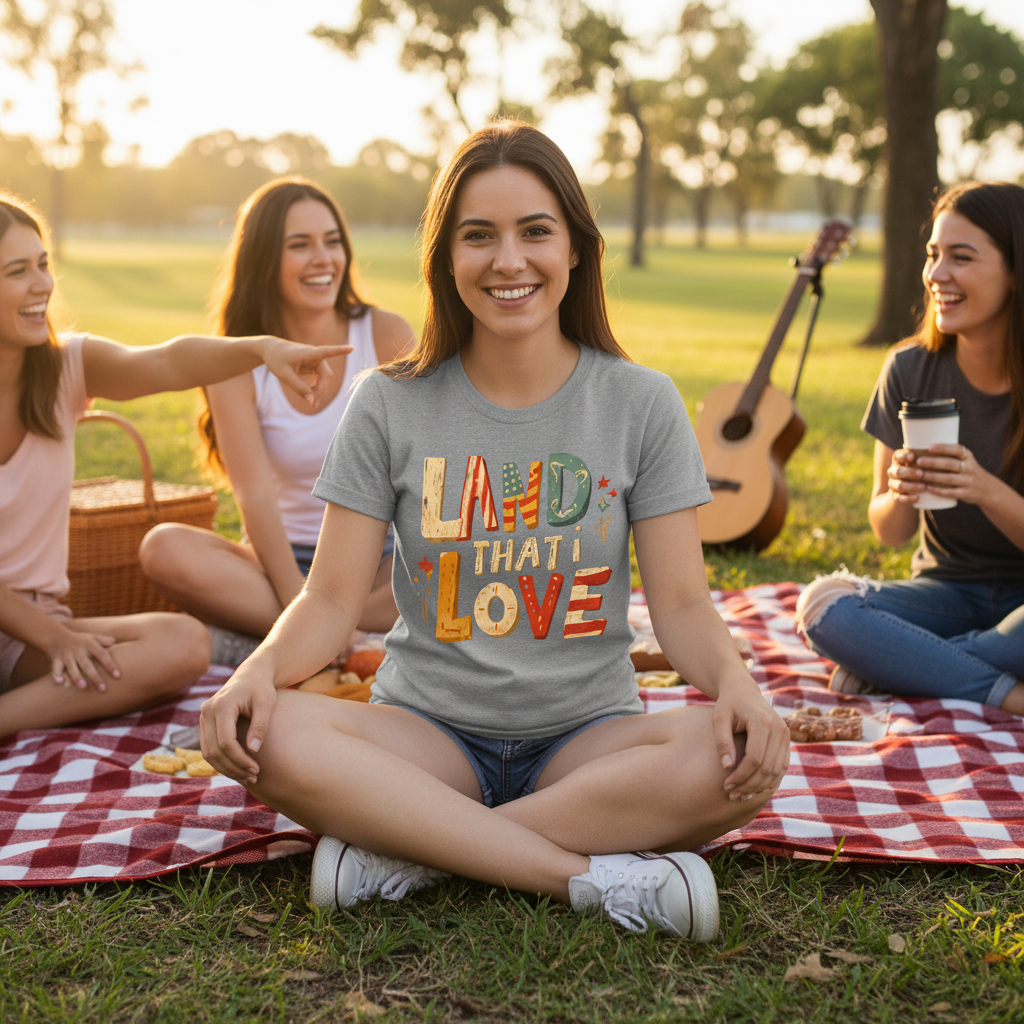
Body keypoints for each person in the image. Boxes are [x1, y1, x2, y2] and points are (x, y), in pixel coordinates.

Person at [200, 121, 789, 939]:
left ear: (576, 249)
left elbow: (684, 605)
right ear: (446, 257)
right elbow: (330, 599)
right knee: (272, 730)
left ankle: (414, 848)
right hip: (425, 733)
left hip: (589, 741)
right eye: (479, 236)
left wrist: (739, 688)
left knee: (737, 757)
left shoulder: (642, 402)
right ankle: (584, 878)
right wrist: (256, 673)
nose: (508, 260)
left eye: (535, 231)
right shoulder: (387, 401)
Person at [0, 192, 350, 740]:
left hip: (30, 634)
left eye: (43, 264)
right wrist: (56, 640)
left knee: (184, 644)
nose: (41, 284)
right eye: (17, 271)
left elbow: (167, 360)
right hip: (39, 632)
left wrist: (261, 350)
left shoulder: (65, 366)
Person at [139, 179, 411, 657]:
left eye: (332, 241)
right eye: (299, 245)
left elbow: (425, 471)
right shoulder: (236, 360)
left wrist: (323, 615)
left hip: (378, 563)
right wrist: (298, 602)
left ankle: (291, 637)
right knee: (163, 548)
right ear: (264, 258)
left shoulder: (385, 333)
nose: (323, 258)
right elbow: (255, 496)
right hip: (279, 564)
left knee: (453, 559)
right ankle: (336, 636)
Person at [796, 181, 1024, 717]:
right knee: (824, 605)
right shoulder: (909, 368)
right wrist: (901, 493)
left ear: (1015, 272)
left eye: (961, 257)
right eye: (933, 254)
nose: (936, 274)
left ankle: (901, 664)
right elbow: (889, 531)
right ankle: (1007, 694)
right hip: (944, 596)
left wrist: (984, 489)